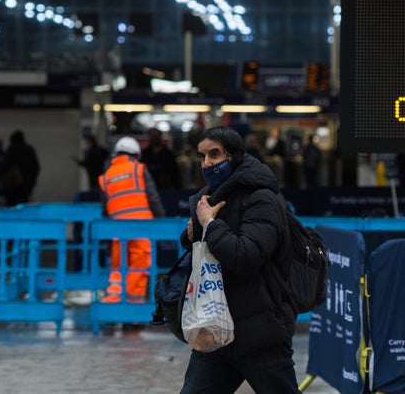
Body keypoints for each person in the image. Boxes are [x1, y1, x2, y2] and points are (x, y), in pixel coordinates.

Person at [179, 126, 299, 393]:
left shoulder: (262, 199)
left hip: (260, 333)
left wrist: (209, 224)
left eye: (215, 154)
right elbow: (209, 251)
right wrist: (191, 234)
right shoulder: (210, 197)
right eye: (202, 156)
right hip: (216, 330)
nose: (207, 163)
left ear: (233, 156)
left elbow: (245, 256)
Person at [99, 136, 165, 307]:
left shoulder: (106, 176)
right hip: (141, 229)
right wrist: (163, 225)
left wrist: (107, 240)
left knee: (118, 270)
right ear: (136, 154)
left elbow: (105, 211)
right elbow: (153, 198)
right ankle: (132, 313)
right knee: (138, 268)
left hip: (116, 233)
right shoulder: (138, 169)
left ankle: (112, 305)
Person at [0, 130, 40, 206]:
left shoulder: (12, 149)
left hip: (13, 185)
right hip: (27, 185)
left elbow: (5, 166)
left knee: (11, 207)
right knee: (23, 206)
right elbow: (36, 167)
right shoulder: (29, 149)